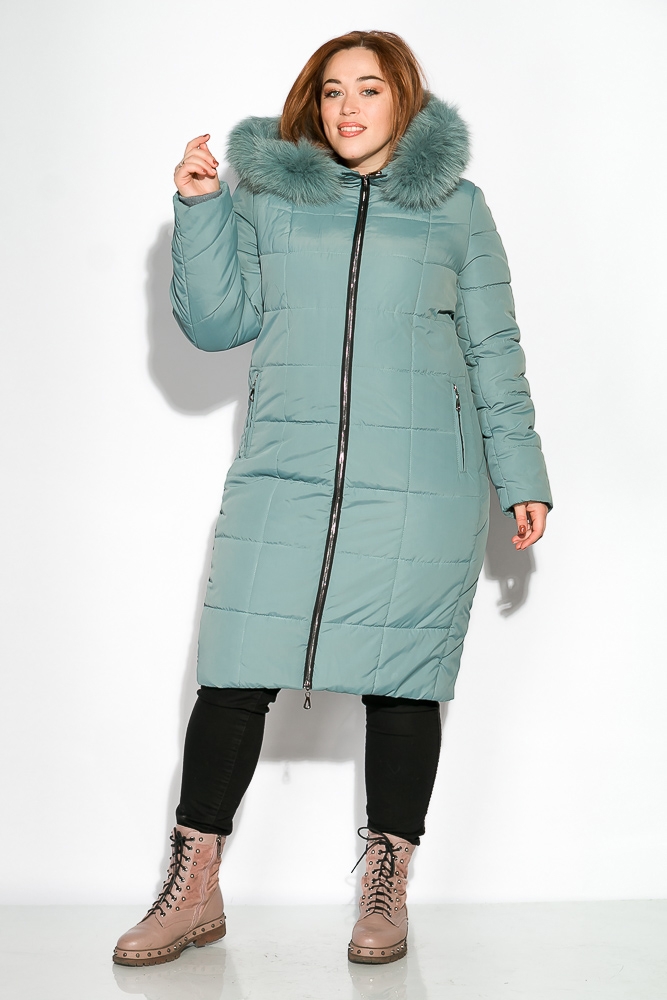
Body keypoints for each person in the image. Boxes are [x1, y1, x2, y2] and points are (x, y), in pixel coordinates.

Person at [113, 30, 552, 968]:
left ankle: (386, 886)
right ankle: (193, 887)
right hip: (286, 470)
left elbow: (493, 349)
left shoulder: (456, 208)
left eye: (370, 88)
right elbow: (214, 323)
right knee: (233, 675)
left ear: (404, 99)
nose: (348, 107)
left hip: (423, 482)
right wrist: (200, 209)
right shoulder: (269, 198)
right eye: (331, 91)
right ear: (312, 104)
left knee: (402, 683)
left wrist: (520, 474)